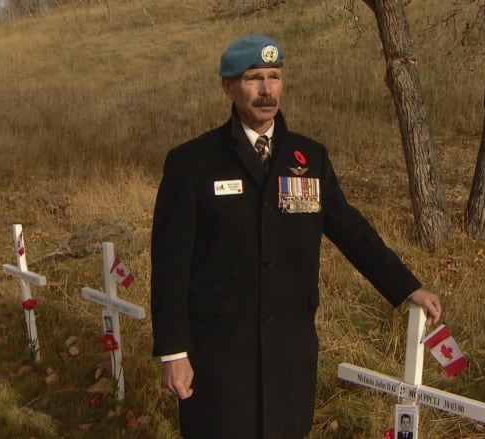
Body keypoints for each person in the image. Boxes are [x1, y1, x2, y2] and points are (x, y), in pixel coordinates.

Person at [150, 34, 442, 439]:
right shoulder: (192, 163)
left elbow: (352, 231)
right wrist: (175, 352)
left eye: (274, 76)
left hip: (289, 350)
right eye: (254, 78)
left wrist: (407, 287)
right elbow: (170, 265)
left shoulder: (309, 159)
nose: (267, 90)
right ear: (227, 86)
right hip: (218, 354)